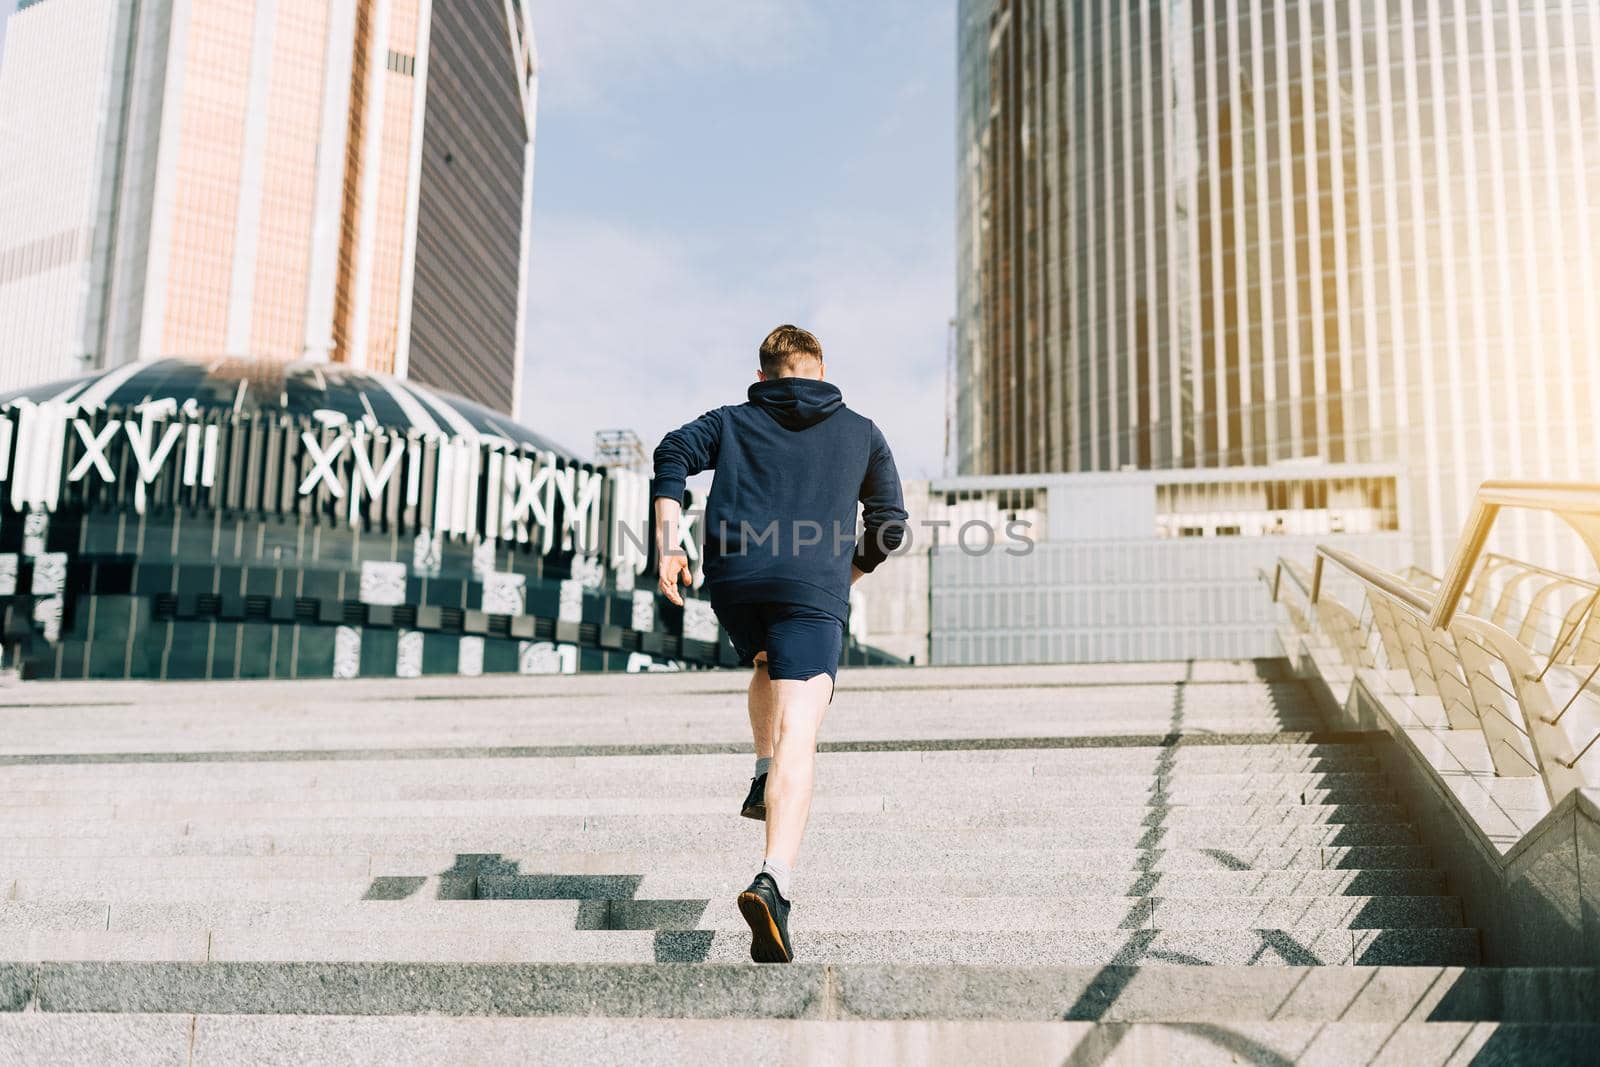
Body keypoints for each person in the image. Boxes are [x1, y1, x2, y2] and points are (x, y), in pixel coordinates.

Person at [649, 324, 907, 963]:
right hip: (810, 587)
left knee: (766, 657)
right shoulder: (862, 431)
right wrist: (840, 576)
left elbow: (671, 452)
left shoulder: (733, 419)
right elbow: (891, 526)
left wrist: (668, 546)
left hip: (737, 582)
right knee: (803, 732)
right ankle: (775, 881)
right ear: (822, 371)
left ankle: (763, 771)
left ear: (764, 377)